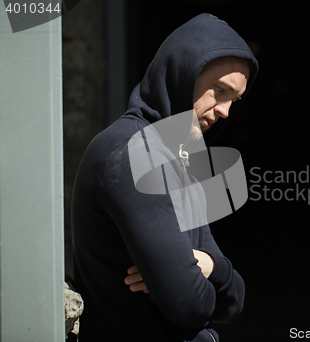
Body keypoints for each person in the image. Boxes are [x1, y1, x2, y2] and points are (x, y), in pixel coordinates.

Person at [71, 13, 258, 341]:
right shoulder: (131, 153)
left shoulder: (179, 159)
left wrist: (213, 269)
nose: (226, 111)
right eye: (219, 90)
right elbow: (188, 304)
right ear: (183, 73)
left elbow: (236, 301)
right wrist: (187, 280)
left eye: (235, 100)